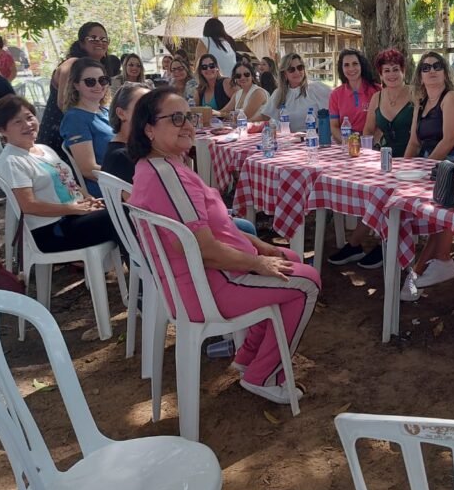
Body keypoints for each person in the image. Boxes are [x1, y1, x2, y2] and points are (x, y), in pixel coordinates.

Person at [128, 88, 320, 405]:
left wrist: (258, 246)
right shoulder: (166, 176)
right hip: (208, 286)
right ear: (148, 129)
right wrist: (258, 263)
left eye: (188, 116)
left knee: (289, 256)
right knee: (306, 282)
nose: (187, 124)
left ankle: (248, 358)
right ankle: (264, 376)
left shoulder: (165, 166)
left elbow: (220, 226)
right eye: (176, 118)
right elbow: (204, 251)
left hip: (212, 275)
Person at [0, 95, 120, 253]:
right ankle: (145, 272)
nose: (28, 125)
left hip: (74, 217)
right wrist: (72, 209)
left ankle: (140, 270)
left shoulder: (44, 150)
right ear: (2, 130)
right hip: (52, 230)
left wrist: (88, 199)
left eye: (29, 117)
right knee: (122, 217)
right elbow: (27, 206)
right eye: (17, 122)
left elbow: (67, 181)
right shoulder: (12, 161)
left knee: (125, 210)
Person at [328, 49, 413, 270]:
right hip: (383, 155)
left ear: (403, 71)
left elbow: (417, 135)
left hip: (411, 158)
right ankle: (374, 243)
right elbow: (367, 131)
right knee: (370, 191)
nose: (392, 74)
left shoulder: (414, 94)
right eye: (387, 70)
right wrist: (363, 156)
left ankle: (371, 243)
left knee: (382, 194)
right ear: (381, 73)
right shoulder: (377, 96)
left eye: (396, 69)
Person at [400, 51, 454, 300]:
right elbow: (413, 142)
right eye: (426, 67)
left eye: (437, 66)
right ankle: (418, 260)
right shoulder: (420, 103)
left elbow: (449, 141)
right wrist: (402, 170)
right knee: (396, 196)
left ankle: (423, 267)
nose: (431, 70)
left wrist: (421, 169)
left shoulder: (451, 97)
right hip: (430, 163)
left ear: (445, 72)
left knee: (437, 204)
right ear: (419, 75)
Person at [37, 21, 112, 154]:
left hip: (88, 133)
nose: (100, 42)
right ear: (82, 43)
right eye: (93, 38)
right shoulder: (72, 64)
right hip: (61, 138)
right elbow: (64, 105)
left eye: (104, 39)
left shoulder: (98, 67)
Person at [59, 58, 113, 197]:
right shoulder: (75, 119)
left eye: (102, 80)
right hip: (108, 189)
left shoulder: (106, 112)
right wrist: (128, 178)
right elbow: (88, 169)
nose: (98, 86)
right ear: (76, 85)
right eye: (90, 81)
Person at [257, 53, 332, 131]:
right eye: (291, 69)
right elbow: (265, 115)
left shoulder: (316, 88)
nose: (297, 72)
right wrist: (247, 120)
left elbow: (337, 104)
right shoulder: (279, 94)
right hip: (288, 140)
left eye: (300, 68)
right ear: (284, 74)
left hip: (313, 138)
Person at [329, 48, 380, 140]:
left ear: (361, 66)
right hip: (346, 144)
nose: (351, 68)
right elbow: (334, 127)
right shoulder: (335, 95)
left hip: (373, 144)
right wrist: (350, 143)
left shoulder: (377, 90)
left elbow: (382, 124)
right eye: (346, 65)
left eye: (355, 64)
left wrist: (371, 143)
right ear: (342, 68)